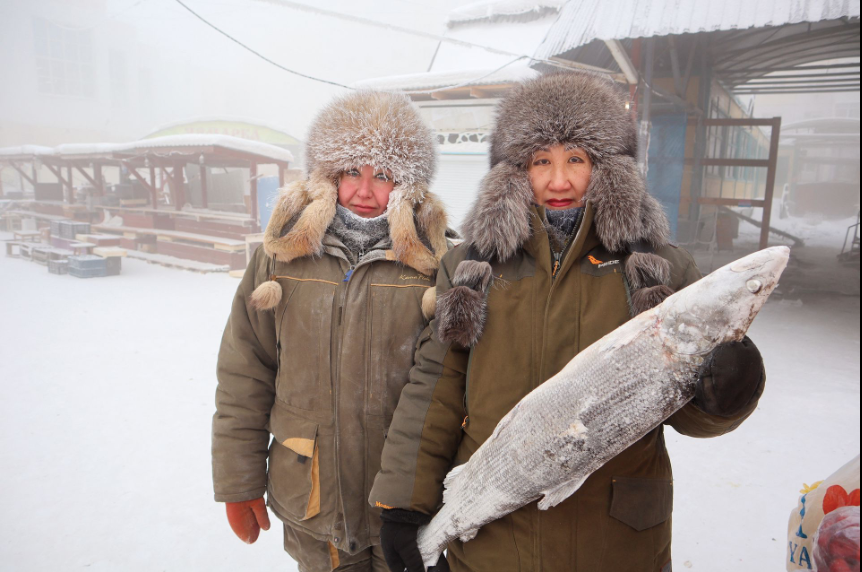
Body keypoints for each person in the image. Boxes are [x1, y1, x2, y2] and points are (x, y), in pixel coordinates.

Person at [372, 73, 767, 572]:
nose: (558, 181)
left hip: (616, 540)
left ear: (608, 168)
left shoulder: (659, 268)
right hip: (497, 536)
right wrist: (404, 503)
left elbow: (683, 409)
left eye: (575, 160)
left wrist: (726, 392)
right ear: (515, 172)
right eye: (542, 162)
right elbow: (438, 384)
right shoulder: (474, 268)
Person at [212, 90, 450, 572]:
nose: (364, 191)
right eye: (350, 172)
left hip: (407, 507)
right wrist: (238, 482)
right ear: (327, 175)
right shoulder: (280, 258)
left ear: (407, 184)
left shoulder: (439, 265)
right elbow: (245, 372)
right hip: (312, 502)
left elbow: (457, 390)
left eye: (382, 175)